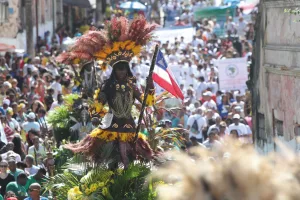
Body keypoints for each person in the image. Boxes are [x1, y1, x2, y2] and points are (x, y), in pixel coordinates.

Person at [62, 16, 156, 169]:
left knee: (141, 158)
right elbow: (98, 105)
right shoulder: (108, 86)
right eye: (119, 69)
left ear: (128, 69)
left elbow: (147, 102)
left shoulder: (132, 85)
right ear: (114, 70)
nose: (121, 72)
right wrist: (96, 114)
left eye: (124, 68)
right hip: (111, 127)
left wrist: (150, 87)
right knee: (103, 160)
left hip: (130, 127)